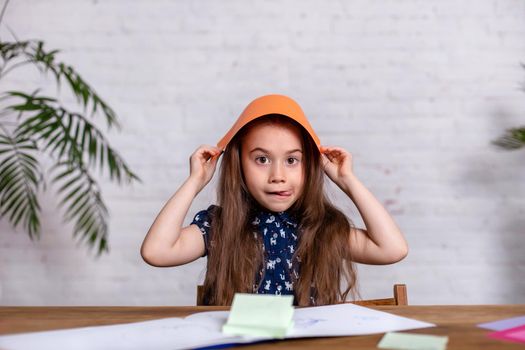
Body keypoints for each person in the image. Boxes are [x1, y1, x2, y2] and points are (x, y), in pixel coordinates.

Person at [141, 94, 408, 306]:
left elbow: (391, 249)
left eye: (292, 160)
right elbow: (157, 252)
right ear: (239, 165)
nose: (277, 176)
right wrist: (195, 182)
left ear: (309, 166)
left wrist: (347, 180)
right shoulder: (220, 226)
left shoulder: (322, 229)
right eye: (262, 159)